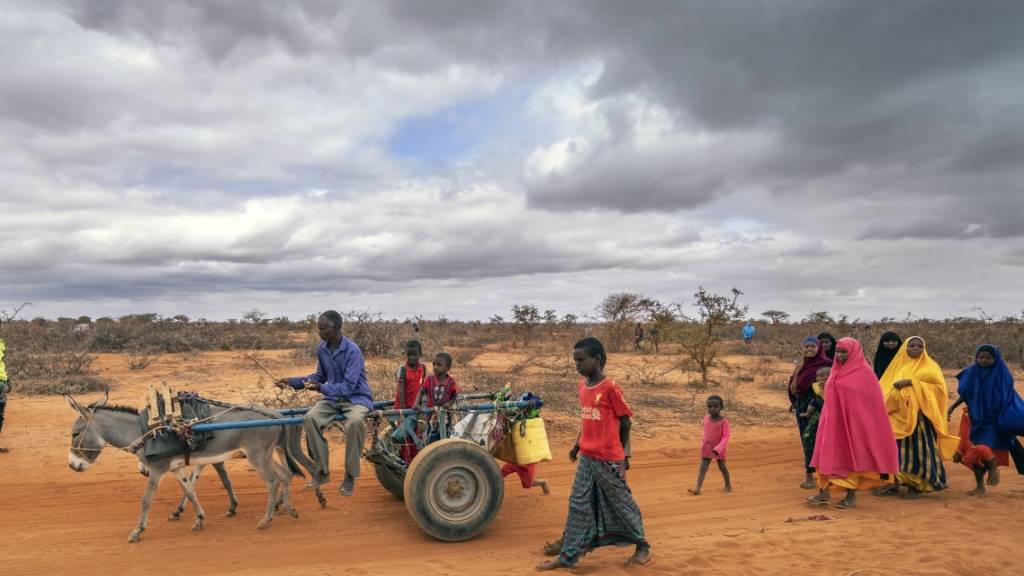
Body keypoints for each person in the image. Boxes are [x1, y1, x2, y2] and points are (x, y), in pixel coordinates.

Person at [538, 337, 650, 570]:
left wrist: (619, 452)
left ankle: (642, 546)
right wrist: (578, 444)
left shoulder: (610, 387)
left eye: (581, 360)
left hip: (609, 459)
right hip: (587, 457)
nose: (577, 365)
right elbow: (587, 419)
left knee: (621, 504)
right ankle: (568, 553)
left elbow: (625, 422)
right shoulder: (583, 386)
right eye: (575, 360)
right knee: (578, 503)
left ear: (597, 359)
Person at [276, 310, 373, 496]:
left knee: (354, 423)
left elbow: (349, 387)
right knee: (310, 418)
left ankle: (350, 475)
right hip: (333, 399)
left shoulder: (353, 351)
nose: (320, 332)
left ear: (336, 328)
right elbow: (319, 376)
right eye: (318, 328)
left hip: (356, 398)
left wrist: (321, 388)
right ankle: (322, 470)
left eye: (323, 328)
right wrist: (292, 381)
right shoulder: (322, 348)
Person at [807, 338, 899, 509]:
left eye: (844, 352)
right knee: (825, 455)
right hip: (831, 423)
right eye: (838, 352)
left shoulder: (865, 373)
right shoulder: (835, 371)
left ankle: (851, 496)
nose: (840, 355)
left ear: (854, 352)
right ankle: (823, 493)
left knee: (850, 458)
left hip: (853, 426)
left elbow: (871, 404)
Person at [877, 336, 958, 499]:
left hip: (920, 417)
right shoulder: (897, 365)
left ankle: (917, 486)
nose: (915, 348)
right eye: (911, 345)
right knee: (895, 450)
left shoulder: (930, 367)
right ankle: (896, 483)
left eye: (919, 346)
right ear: (904, 348)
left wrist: (912, 383)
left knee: (918, 450)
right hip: (897, 416)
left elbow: (939, 390)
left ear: (924, 349)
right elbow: (884, 388)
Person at [949, 344, 1024, 496]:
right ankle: (980, 486)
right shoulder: (972, 372)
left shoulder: (1003, 374)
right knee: (975, 451)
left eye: (988, 358)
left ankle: (991, 465)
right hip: (976, 417)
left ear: (995, 358)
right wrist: (952, 407)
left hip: (996, 420)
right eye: (981, 357)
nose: (984, 360)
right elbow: (966, 393)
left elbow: (1007, 397)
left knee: (983, 447)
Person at [789, 336, 833, 489]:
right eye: (806, 347)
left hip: (822, 408)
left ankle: (828, 474)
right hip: (802, 408)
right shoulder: (801, 367)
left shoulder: (828, 365)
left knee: (824, 440)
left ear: (819, 348)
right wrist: (796, 373)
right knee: (806, 439)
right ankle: (809, 475)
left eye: (812, 347)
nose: (809, 349)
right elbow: (794, 390)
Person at [688, 395, 731, 495]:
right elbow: (706, 432)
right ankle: (697, 489)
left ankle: (728, 485)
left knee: (722, 467)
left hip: (719, 449)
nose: (712, 408)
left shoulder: (724, 422)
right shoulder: (706, 418)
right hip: (707, 448)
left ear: (721, 407)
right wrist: (703, 442)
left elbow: (726, 437)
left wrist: (719, 448)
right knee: (703, 467)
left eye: (715, 406)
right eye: (710, 406)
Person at [394, 340, 426, 463]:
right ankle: (404, 460)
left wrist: (421, 404)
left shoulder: (423, 368)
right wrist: (403, 411)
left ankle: (413, 460)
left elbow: (422, 387)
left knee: (415, 433)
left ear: (420, 354)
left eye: (415, 354)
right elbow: (400, 390)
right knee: (404, 435)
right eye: (409, 354)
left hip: (415, 407)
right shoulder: (402, 369)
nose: (412, 357)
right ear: (405, 354)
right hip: (403, 406)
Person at [417, 352, 459, 442]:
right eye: (434, 364)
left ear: (448, 368)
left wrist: (449, 403)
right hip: (431, 416)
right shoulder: (429, 380)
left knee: (445, 438)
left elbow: (455, 396)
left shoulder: (451, 382)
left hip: (446, 417)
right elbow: (421, 392)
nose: (435, 367)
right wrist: (417, 404)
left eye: (439, 365)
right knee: (431, 437)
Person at [799, 367, 830, 450]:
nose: (820, 378)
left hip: (829, 405)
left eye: (823, 376)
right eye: (818, 376)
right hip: (819, 401)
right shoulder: (817, 384)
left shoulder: (832, 383)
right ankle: (808, 413)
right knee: (812, 403)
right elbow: (818, 391)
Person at [0, 319, 9, 454]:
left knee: (0, 415)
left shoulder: (1, 343)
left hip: (1, 383)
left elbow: (1, 364)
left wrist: (8, 380)